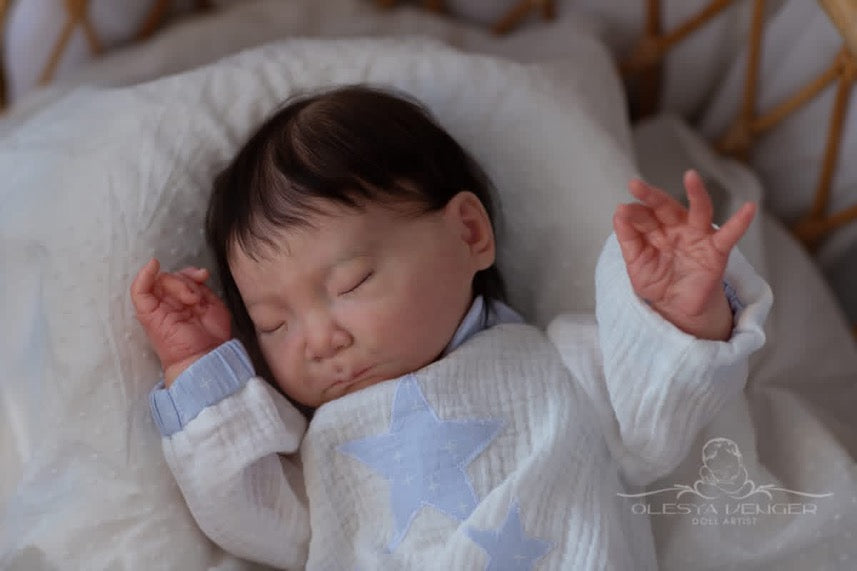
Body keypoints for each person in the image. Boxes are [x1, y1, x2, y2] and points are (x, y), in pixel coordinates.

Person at [130, 85, 771, 570]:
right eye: (273, 324)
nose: (320, 341)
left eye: (351, 284)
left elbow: (661, 410)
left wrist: (680, 310)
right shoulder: (319, 446)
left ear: (468, 232)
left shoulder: (560, 362)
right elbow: (244, 511)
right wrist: (197, 365)